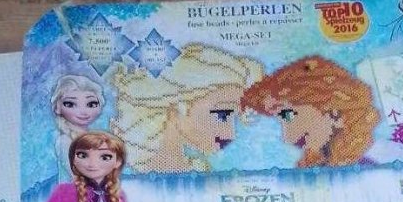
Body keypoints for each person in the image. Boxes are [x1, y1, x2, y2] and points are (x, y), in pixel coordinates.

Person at [111, 44, 263, 173]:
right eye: (222, 115)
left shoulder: (198, 171)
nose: (230, 134)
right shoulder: (133, 177)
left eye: (233, 117)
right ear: (178, 107)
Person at [241, 57, 379, 167]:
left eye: (288, 116)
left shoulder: (364, 172)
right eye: (281, 119)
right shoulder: (310, 167)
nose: (286, 138)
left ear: (335, 115)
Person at [40, 131, 128, 202]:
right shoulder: (65, 192)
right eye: (83, 155)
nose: (92, 164)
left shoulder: (117, 194)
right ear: (73, 160)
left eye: (105, 157)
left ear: (118, 162)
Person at [50, 74, 104, 166]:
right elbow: (75, 172)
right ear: (57, 108)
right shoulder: (64, 141)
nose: (83, 112)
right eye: (70, 104)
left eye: (91, 104)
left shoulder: (93, 136)